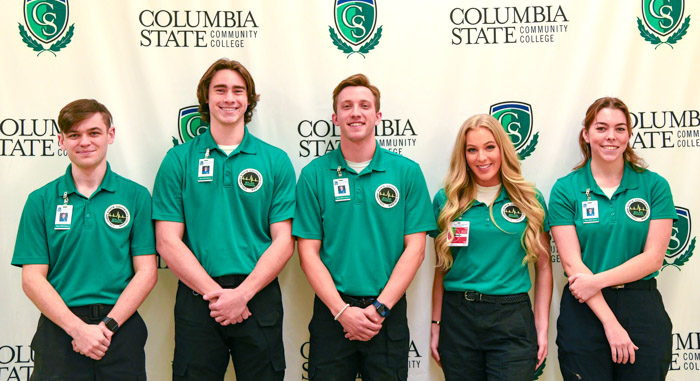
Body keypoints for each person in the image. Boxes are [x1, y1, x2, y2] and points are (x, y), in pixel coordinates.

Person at [152, 58, 295, 380]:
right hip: (198, 299)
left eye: (237, 90)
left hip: (258, 298)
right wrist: (217, 296)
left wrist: (242, 295)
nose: (229, 98)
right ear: (206, 97)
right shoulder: (178, 160)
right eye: (220, 90)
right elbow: (166, 240)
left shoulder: (275, 160)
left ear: (249, 99)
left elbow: (284, 240)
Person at [293, 74, 435, 380]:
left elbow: (416, 249)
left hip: (386, 315)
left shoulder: (407, 173)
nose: (355, 112)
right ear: (335, 117)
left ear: (377, 116)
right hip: (332, 313)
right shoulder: (314, 175)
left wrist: (379, 308)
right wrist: (342, 312)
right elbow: (307, 254)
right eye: (347, 106)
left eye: (364, 105)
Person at [11, 99, 157, 380]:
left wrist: (107, 327)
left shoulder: (136, 196)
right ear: (61, 140)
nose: (84, 142)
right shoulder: (40, 201)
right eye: (74, 135)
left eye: (93, 132)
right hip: (60, 331)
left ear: (110, 135)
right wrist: (77, 329)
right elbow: (31, 278)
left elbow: (147, 271)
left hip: (119, 329)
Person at [549, 97, 676, 380]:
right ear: (586, 134)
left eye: (620, 129)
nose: (611, 137)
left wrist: (596, 280)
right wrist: (611, 323)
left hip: (640, 307)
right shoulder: (565, 189)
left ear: (629, 135)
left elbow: (653, 258)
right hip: (585, 309)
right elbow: (572, 263)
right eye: (601, 128)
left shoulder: (654, 185)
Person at [429, 114, 552, 381]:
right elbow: (442, 267)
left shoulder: (530, 198)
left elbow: (544, 268)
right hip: (458, 317)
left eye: (489, 147)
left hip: (512, 318)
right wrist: (436, 324)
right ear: (463, 155)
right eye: (472, 150)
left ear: (502, 149)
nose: (481, 157)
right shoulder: (447, 200)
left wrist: (541, 327)